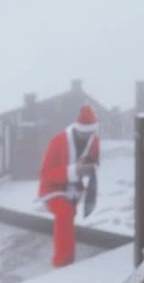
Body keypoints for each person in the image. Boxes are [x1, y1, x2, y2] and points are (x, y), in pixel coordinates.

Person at [38, 104, 100, 267]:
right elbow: (46, 173)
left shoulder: (94, 140)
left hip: (75, 188)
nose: (87, 137)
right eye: (84, 133)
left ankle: (67, 258)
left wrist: (87, 167)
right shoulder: (58, 141)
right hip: (52, 188)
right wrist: (74, 170)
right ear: (77, 129)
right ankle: (62, 262)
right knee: (65, 213)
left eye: (90, 133)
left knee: (69, 214)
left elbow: (94, 162)